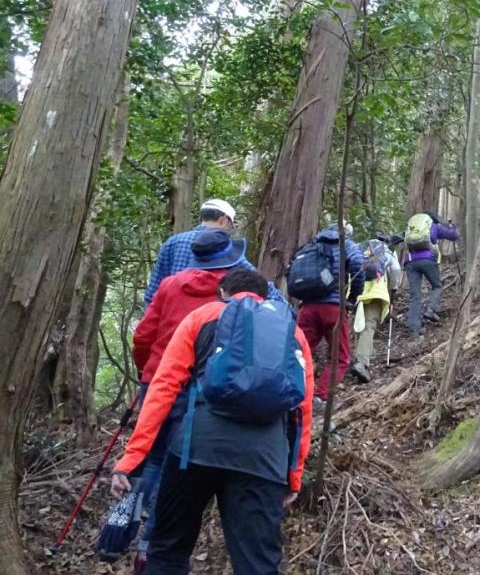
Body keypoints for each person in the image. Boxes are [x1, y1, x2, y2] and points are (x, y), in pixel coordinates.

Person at [110, 269, 313, 575]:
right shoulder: (291, 331)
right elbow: (302, 412)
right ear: (264, 295)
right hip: (264, 459)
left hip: (194, 450)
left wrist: (132, 457)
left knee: (167, 550)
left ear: (223, 293)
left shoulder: (201, 317)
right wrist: (293, 475)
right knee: (258, 565)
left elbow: (162, 389)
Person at [129, 229, 249, 569]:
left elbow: (143, 335)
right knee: (171, 468)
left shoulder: (170, 285)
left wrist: (148, 369)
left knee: (150, 461)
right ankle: (148, 546)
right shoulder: (233, 294)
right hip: (197, 392)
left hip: (156, 382)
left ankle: (128, 521)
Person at [145, 198, 284, 304]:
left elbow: (152, 294)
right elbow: (256, 281)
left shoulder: (172, 242)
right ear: (223, 220)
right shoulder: (225, 249)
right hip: (209, 325)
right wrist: (282, 305)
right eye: (231, 225)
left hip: (172, 323)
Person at [294, 222, 365, 404]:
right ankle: (320, 397)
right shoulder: (346, 244)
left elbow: (291, 270)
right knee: (340, 356)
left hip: (307, 308)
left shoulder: (310, 245)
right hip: (333, 307)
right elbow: (358, 264)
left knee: (299, 352)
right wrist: (353, 296)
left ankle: (292, 392)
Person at [351, 238, 402, 382]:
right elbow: (396, 270)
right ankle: (361, 362)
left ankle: (359, 357)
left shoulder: (361, 249)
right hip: (376, 292)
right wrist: (393, 288)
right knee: (369, 326)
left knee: (359, 325)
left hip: (359, 292)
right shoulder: (386, 252)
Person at [402, 211, 459, 336]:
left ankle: (414, 329)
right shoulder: (434, 226)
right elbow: (454, 236)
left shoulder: (412, 229)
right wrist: (452, 227)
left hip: (410, 262)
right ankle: (430, 309)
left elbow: (400, 237)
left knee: (415, 296)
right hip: (427, 259)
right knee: (437, 286)